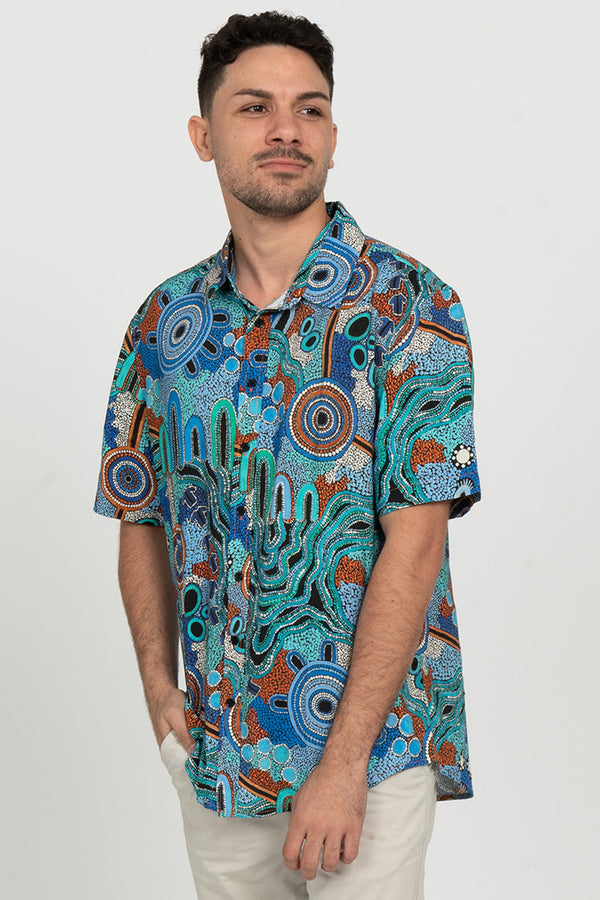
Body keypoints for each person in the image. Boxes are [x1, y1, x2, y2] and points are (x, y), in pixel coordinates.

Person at [94, 11, 480, 899]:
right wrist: (160, 695)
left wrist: (342, 765)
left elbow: (417, 541)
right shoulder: (164, 324)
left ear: (334, 136)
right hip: (218, 758)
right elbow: (138, 512)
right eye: (254, 107)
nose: (286, 130)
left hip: (374, 759)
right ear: (203, 136)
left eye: (310, 109)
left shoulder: (411, 307)